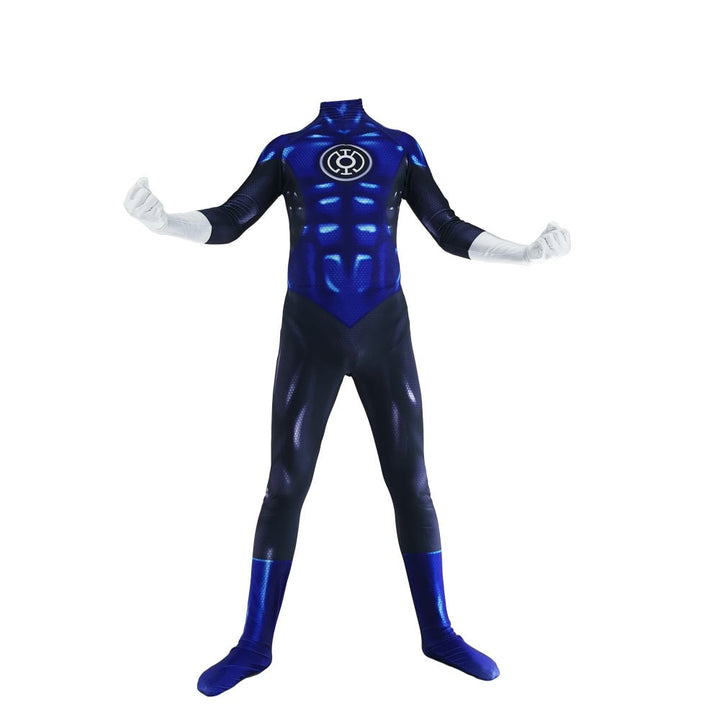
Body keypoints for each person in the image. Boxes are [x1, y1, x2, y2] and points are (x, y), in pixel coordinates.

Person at [124, 98, 570, 696]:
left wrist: (524, 253)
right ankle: (254, 644)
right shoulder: (287, 148)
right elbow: (233, 219)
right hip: (311, 332)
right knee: (285, 485)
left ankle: (438, 632)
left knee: (412, 482)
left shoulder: (400, 146)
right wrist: (165, 222)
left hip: (385, 332)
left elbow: (446, 228)